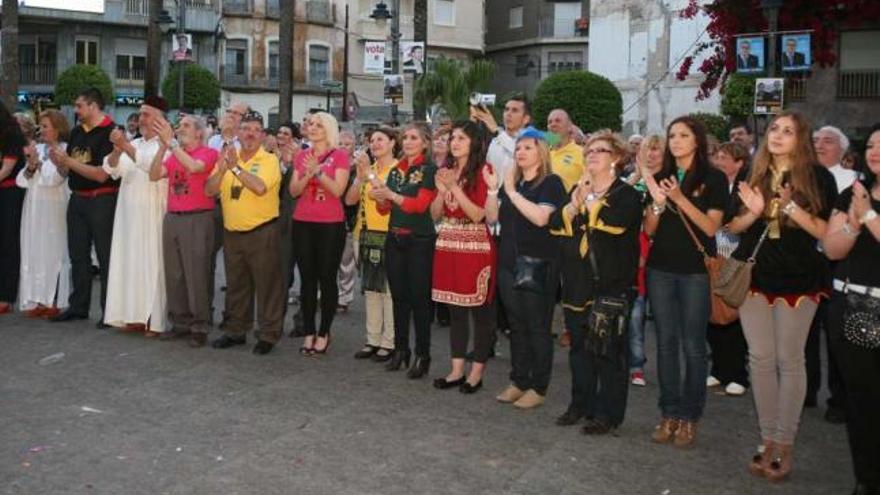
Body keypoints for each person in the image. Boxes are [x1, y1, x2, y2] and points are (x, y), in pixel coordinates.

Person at [727, 111, 837, 482]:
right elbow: (733, 225)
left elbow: (823, 231)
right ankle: (767, 437)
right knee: (760, 358)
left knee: (790, 360)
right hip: (755, 275)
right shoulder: (752, 174)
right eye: (774, 128)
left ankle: (784, 442)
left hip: (799, 279)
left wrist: (789, 207)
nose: (777, 135)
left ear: (800, 139)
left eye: (787, 131)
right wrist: (754, 213)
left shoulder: (818, 177)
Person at [643, 115, 729, 448]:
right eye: (672, 135)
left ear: (697, 140)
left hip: (695, 271)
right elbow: (649, 230)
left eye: (683, 135)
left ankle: (690, 417)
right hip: (660, 267)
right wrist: (658, 203)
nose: (675, 141)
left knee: (693, 346)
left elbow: (710, 229)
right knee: (665, 344)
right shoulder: (660, 176)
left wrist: (679, 199)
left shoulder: (714, 178)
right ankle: (669, 413)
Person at [550, 131, 642, 433]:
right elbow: (558, 228)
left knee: (609, 352)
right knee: (579, 349)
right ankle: (580, 404)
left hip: (611, 283)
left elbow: (613, 226)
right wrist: (575, 203)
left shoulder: (626, 196)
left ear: (616, 158)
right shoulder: (577, 191)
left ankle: (608, 413)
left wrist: (588, 200)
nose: (592, 155)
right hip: (577, 281)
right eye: (589, 150)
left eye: (600, 150)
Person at [484, 126, 567, 409]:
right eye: (518, 148)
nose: (520, 152)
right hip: (508, 263)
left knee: (537, 326)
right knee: (516, 326)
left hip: (538, 265)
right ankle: (519, 380)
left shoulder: (551, 183)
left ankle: (538, 386)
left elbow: (541, 218)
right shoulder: (514, 185)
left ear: (541, 152)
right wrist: (495, 190)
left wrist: (511, 192)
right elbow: (492, 218)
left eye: (528, 147)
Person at [821, 123, 880, 495]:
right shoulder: (851, 194)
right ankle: (867, 480)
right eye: (872, 144)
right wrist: (855, 224)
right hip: (850, 306)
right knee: (861, 403)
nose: (875, 151)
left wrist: (870, 216)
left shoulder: (863, 202)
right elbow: (832, 249)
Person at [430, 121, 497, 394]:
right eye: (452, 138)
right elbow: (435, 213)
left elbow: (479, 214)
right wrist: (441, 190)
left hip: (476, 246)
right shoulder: (445, 171)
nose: (454, 143)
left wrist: (454, 188)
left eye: (461, 138)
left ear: (475, 142)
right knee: (455, 311)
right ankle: (457, 370)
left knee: (480, 312)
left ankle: (476, 373)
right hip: (447, 244)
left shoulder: (484, 171)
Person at [370, 123, 438, 379]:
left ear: (425, 143)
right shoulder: (396, 171)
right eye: (405, 138)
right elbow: (385, 210)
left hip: (419, 240)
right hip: (395, 237)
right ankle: (401, 349)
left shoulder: (429, 170)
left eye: (413, 138)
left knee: (420, 299)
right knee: (399, 297)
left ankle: (423, 353)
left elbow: (420, 206)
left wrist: (390, 196)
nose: (407, 142)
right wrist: (381, 198)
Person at [149, 114, 219, 346]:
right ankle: (179, 322)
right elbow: (153, 175)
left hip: (197, 218)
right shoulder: (174, 154)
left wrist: (172, 144)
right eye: (180, 126)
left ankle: (200, 326)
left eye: (186, 125)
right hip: (173, 217)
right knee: (175, 273)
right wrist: (162, 149)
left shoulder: (208, 153)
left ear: (199, 132)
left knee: (196, 273)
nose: (181, 129)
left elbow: (195, 168)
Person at [49, 88, 117, 327]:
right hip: (77, 197)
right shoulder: (77, 132)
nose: (76, 111)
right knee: (78, 254)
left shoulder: (111, 133)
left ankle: (109, 310)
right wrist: (60, 163)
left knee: (106, 255)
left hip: (102, 199)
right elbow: (68, 171)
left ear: (93, 105)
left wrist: (69, 162)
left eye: (79, 106)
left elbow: (101, 174)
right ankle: (78, 306)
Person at [101, 97, 169, 335]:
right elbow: (110, 170)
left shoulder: (169, 146)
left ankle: (153, 318)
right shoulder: (135, 143)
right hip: (127, 214)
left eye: (146, 114)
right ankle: (132, 315)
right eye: (140, 114)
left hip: (152, 212)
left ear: (160, 119)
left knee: (152, 263)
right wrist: (116, 151)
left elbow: (150, 167)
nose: (141, 119)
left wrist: (126, 147)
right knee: (129, 261)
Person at [288, 112, 350, 356]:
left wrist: (318, 172)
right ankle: (309, 332)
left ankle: (324, 332)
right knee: (307, 279)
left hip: (330, 224)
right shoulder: (302, 155)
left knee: (326, 278)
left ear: (328, 129)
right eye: (310, 124)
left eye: (317, 125)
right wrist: (306, 172)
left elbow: (338, 190)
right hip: (303, 221)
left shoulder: (340, 156)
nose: (312, 128)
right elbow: (293, 190)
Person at [809, 124, 857, 422]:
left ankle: (841, 398)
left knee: (839, 333)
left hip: (843, 263)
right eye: (815, 140)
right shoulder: (806, 178)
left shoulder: (853, 182)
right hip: (811, 261)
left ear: (842, 148)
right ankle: (807, 390)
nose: (820, 145)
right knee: (807, 331)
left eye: (827, 141)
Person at [346, 128, 398, 362]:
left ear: (393, 143)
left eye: (380, 139)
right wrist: (359, 176)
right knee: (370, 289)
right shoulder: (370, 170)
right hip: (365, 234)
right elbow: (350, 199)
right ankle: (372, 339)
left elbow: (385, 196)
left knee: (388, 291)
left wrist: (367, 173)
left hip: (389, 235)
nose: (375, 143)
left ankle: (390, 341)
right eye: (372, 140)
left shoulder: (398, 170)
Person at [16, 110, 71, 318]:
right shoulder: (37, 148)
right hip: (34, 207)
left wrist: (37, 164)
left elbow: (55, 179)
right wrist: (31, 165)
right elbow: (24, 180)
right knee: (35, 250)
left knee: (54, 252)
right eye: (41, 126)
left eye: (46, 126)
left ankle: (54, 298)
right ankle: (37, 298)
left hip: (54, 206)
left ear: (58, 129)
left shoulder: (65, 150)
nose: (42, 130)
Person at [706, 142, 751, 396]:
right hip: (713, 257)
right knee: (713, 313)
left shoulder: (745, 188)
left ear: (739, 163)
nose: (719, 161)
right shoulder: (712, 184)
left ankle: (738, 374)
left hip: (736, 257)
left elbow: (739, 223)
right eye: (718, 156)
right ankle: (718, 369)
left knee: (732, 314)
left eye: (725, 157)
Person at [626, 135, 664, 386]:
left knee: (663, 319)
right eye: (647, 150)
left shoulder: (675, 180)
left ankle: (670, 368)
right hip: (637, 255)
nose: (651, 155)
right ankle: (636, 365)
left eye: (657, 150)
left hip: (663, 257)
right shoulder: (636, 182)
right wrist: (638, 175)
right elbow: (617, 196)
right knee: (635, 316)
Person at [0, 104, 29, 315]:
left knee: (8, 243)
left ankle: (6, 296)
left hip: (9, 193)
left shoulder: (11, 135)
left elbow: (7, 169)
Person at [337, 129, 359, 313]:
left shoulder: (358, 165)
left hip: (350, 216)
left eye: (347, 144)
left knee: (346, 260)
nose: (344, 147)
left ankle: (344, 296)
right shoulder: (330, 162)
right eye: (341, 144)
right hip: (330, 214)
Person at [547, 109, 584, 193]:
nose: (553, 124)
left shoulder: (582, 153)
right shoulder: (541, 154)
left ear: (569, 127)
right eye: (549, 122)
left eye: (558, 121)